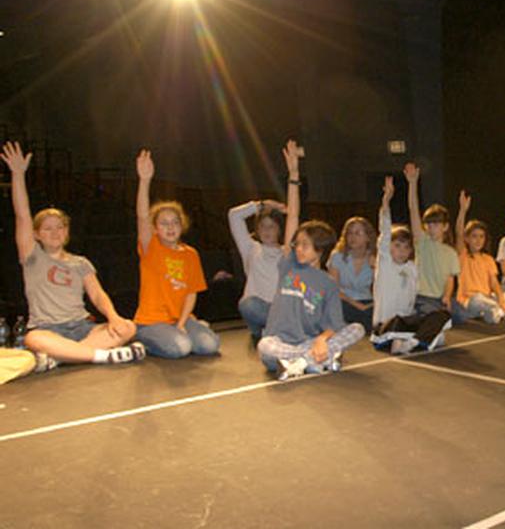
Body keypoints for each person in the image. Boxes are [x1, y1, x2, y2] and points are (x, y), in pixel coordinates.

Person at [2, 141, 143, 371]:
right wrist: (18, 175)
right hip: (49, 329)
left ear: (67, 232)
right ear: (37, 235)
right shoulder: (32, 257)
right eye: (47, 228)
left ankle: (60, 358)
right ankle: (100, 356)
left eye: (60, 227)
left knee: (127, 327)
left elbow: (97, 295)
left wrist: (114, 317)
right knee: (33, 340)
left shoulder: (81, 263)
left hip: (82, 328)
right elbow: (22, 215)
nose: (55, 232)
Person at [134, 149, 220, 359]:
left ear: (182, 226)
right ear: (155, 229)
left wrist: (182, 323)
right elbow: (143, 216)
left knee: (210, 345)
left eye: (175, 222)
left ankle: (183, 331)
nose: (170, 227)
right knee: (181, 348)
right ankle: (142, 338)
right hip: (152, 321)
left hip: (180, 318)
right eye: (164, 223)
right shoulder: (151, 247)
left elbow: (191, 292)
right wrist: (144, 181)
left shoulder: (190, 254)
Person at [257, 220, 365, 380]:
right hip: (279, 345)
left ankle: (299, 364)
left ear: (320, 249)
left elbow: (335, 323)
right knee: (264, 345)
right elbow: (291, 222)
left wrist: (321, 340)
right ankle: (314, 360)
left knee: (357, 329)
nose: (299, 249)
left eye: (305, 245)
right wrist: (293, 194)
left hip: (309, 341)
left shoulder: (328, 283)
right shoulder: (289, 266)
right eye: (297, 244)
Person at [228, 140, 302, 345]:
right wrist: (262, 205)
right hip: (258, 311)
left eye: (272, 226)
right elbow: (234, 216)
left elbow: (294, 217)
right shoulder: (250, 248)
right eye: (263, 226)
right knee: (248, 304)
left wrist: (293, 175)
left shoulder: (286, 252)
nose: (267, 230)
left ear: (279, 229)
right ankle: (275, 330)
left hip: (281, 309)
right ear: (257, 230)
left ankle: (274, 332)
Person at [371, 177, 452, 354]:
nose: (402, 251)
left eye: (406, 247)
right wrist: (386, 200)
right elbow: (384, 231)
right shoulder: (385, 263)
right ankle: (409, 340)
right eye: (397, 246)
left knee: (442, 317)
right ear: (389, 247)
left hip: (407, 322)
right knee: (399, 324)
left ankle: (414, 341)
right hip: (386, 325)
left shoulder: (412, 268)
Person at [453, 190, 505, 324]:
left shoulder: (488, 259)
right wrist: (463, 210)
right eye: (474, 236)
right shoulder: (463, 255)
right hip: (470, 301)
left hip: (488, 299)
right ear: (467, 239)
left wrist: (502, 300)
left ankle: (497, 312)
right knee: (478, 300)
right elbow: (459, 233)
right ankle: (501, 311)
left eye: (481, 236)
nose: (478, 240)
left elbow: (494, 283)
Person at [404, 163, 460, 319]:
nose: (430, 227)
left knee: (461, 313)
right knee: (433, 317)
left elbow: (450, 279)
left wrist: (447, 297)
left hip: (439, 299)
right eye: (428, 223)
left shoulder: (450, 252)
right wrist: (412, 183)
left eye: (435, 224)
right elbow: (413, 210)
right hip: (421, 297)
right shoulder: (422, 242)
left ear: (445, 226)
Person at [328, 216, 376, 331]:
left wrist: (375, 267)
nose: (352, 237)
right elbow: (333, 289)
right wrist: (357, 305)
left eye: (358, 233)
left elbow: (380, 290)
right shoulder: (337, 257)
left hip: (366, 302)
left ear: (368, 237)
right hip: (344, 301)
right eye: (349, 233)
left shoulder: (374, 259)